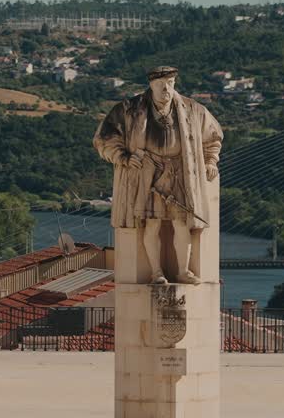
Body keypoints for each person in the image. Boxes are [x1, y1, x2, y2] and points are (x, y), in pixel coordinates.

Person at [93, 65, 223, 285]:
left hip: (181, 174)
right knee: (151, 223)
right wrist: (122, 156)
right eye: (161, 85)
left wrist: (210, 161)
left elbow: (212, 138)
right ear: (151, 85)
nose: (166, 89)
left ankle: (182, 271)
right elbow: (104, 138)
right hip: (148, 174)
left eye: (171, 84)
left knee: (182, 223)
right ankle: (156, 272)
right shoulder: (129, 109)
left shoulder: (194, 110)